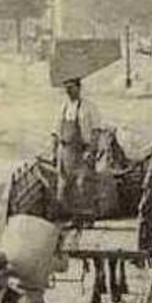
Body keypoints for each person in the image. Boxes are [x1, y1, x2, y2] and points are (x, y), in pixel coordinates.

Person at [55, 77, 102, 211]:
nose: (68, 91)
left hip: (83, 152)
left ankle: (87, 218)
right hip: (66, 153)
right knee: (65, 188)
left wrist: (91, 151)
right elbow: (56, 132)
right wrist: (56, 153)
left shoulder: (89, 107)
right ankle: (73, 217)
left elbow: (96, 131)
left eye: (71, 87)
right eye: (66, 88)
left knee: (83, 186)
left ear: (79, 87)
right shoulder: (63, 108)